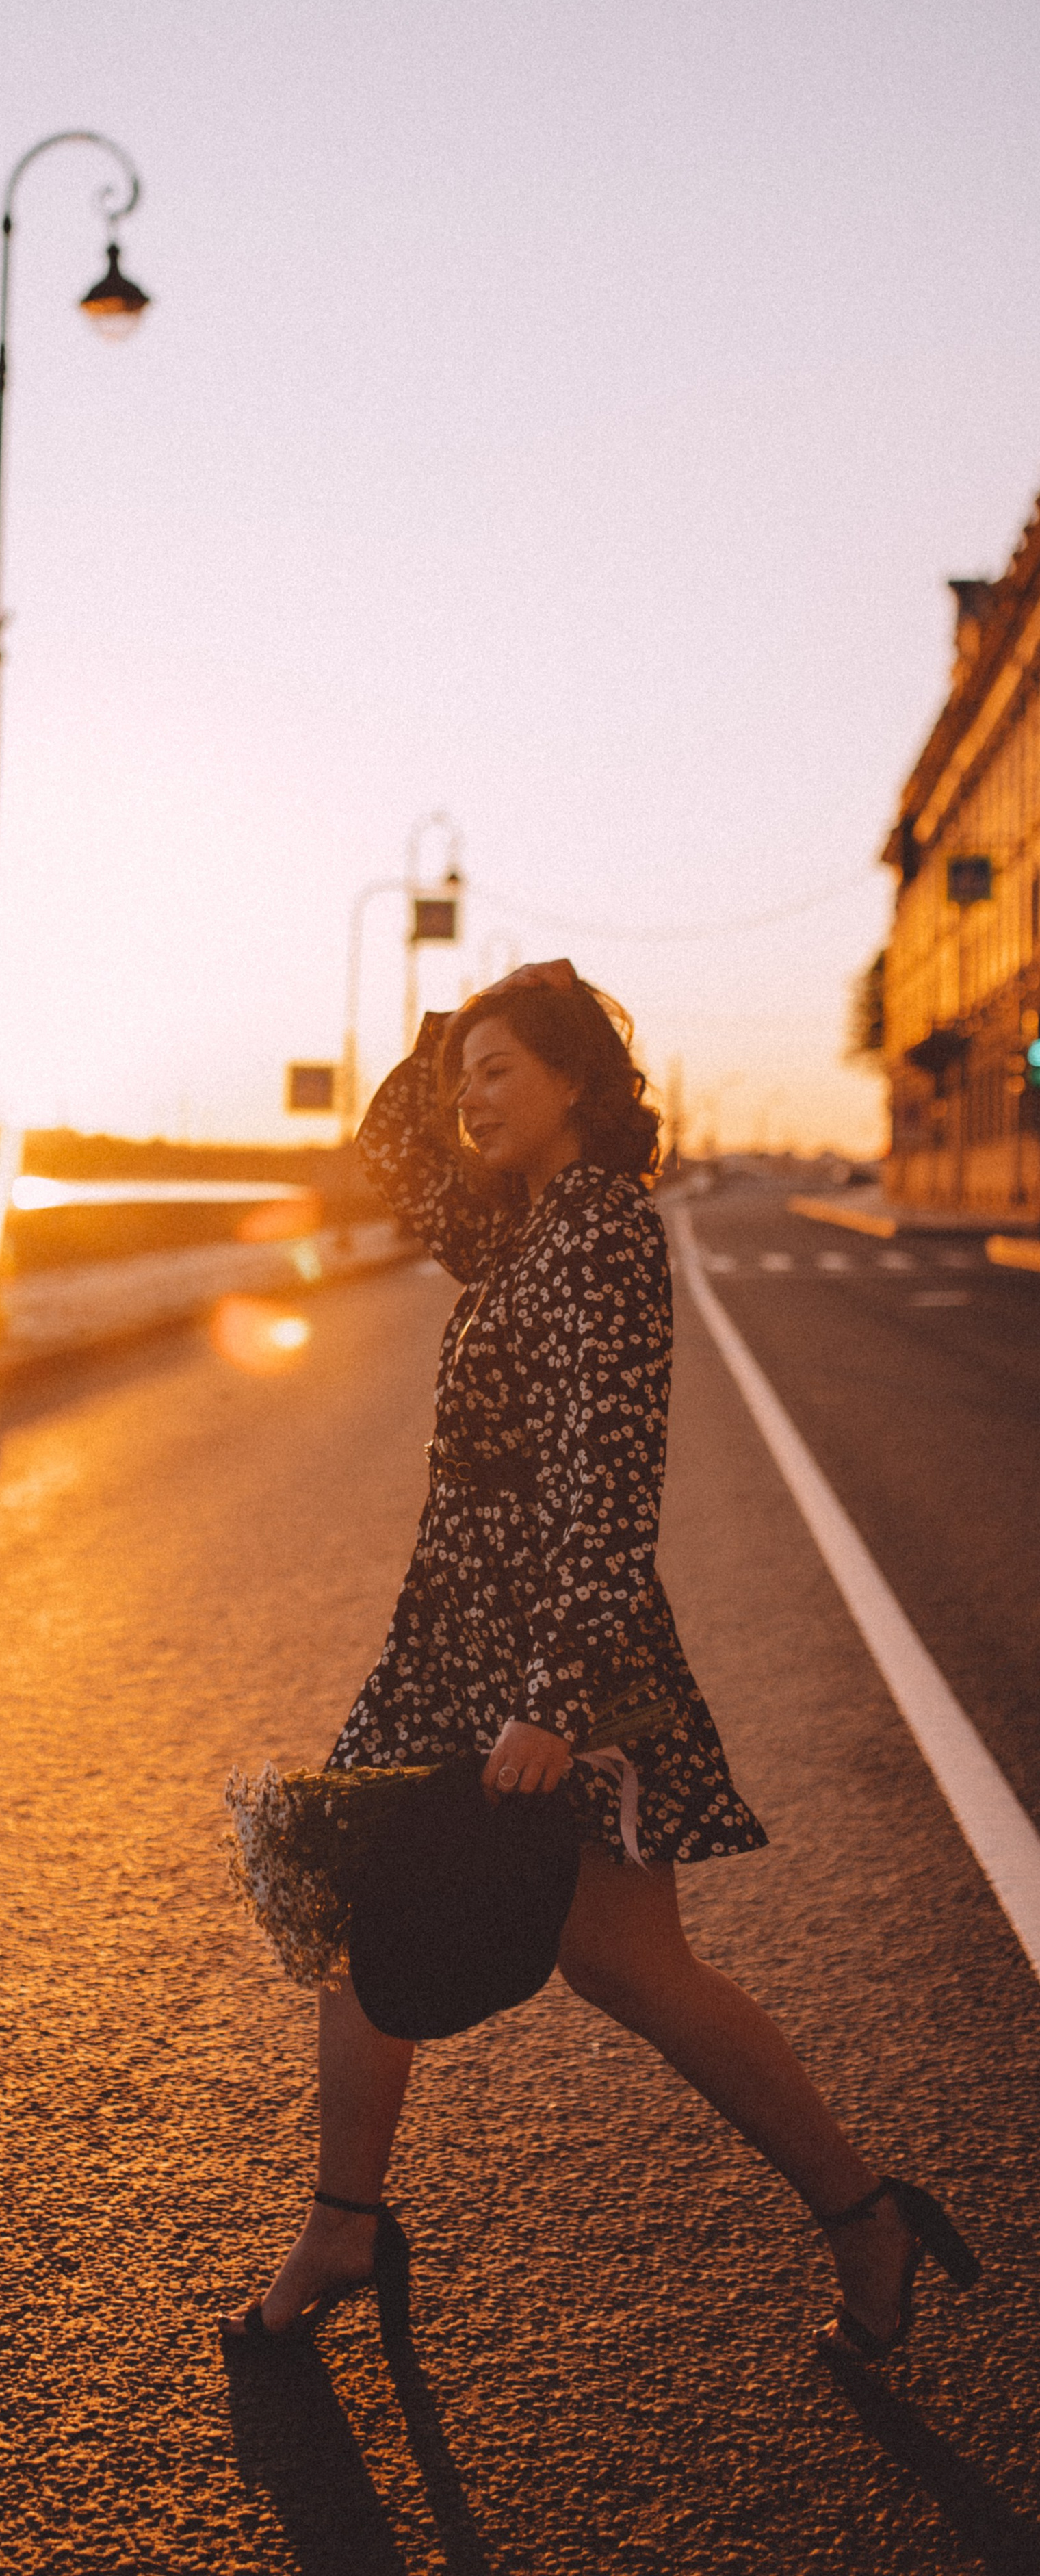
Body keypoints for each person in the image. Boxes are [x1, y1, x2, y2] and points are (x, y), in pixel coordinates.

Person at [222, 959, 978, 2364]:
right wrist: (452, 1030)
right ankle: (341, 2222)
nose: (467, 1100)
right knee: (376, 1916)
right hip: (445, 1635)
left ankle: (861, 2211)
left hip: (540, 1658)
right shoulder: (510, 1231)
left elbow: (610, 1481)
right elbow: (390, 1146)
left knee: (627, 1967)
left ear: (577, 1080)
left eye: (501, 1071)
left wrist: (552, 1702)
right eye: (466, 1080)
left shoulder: (602, 1237)